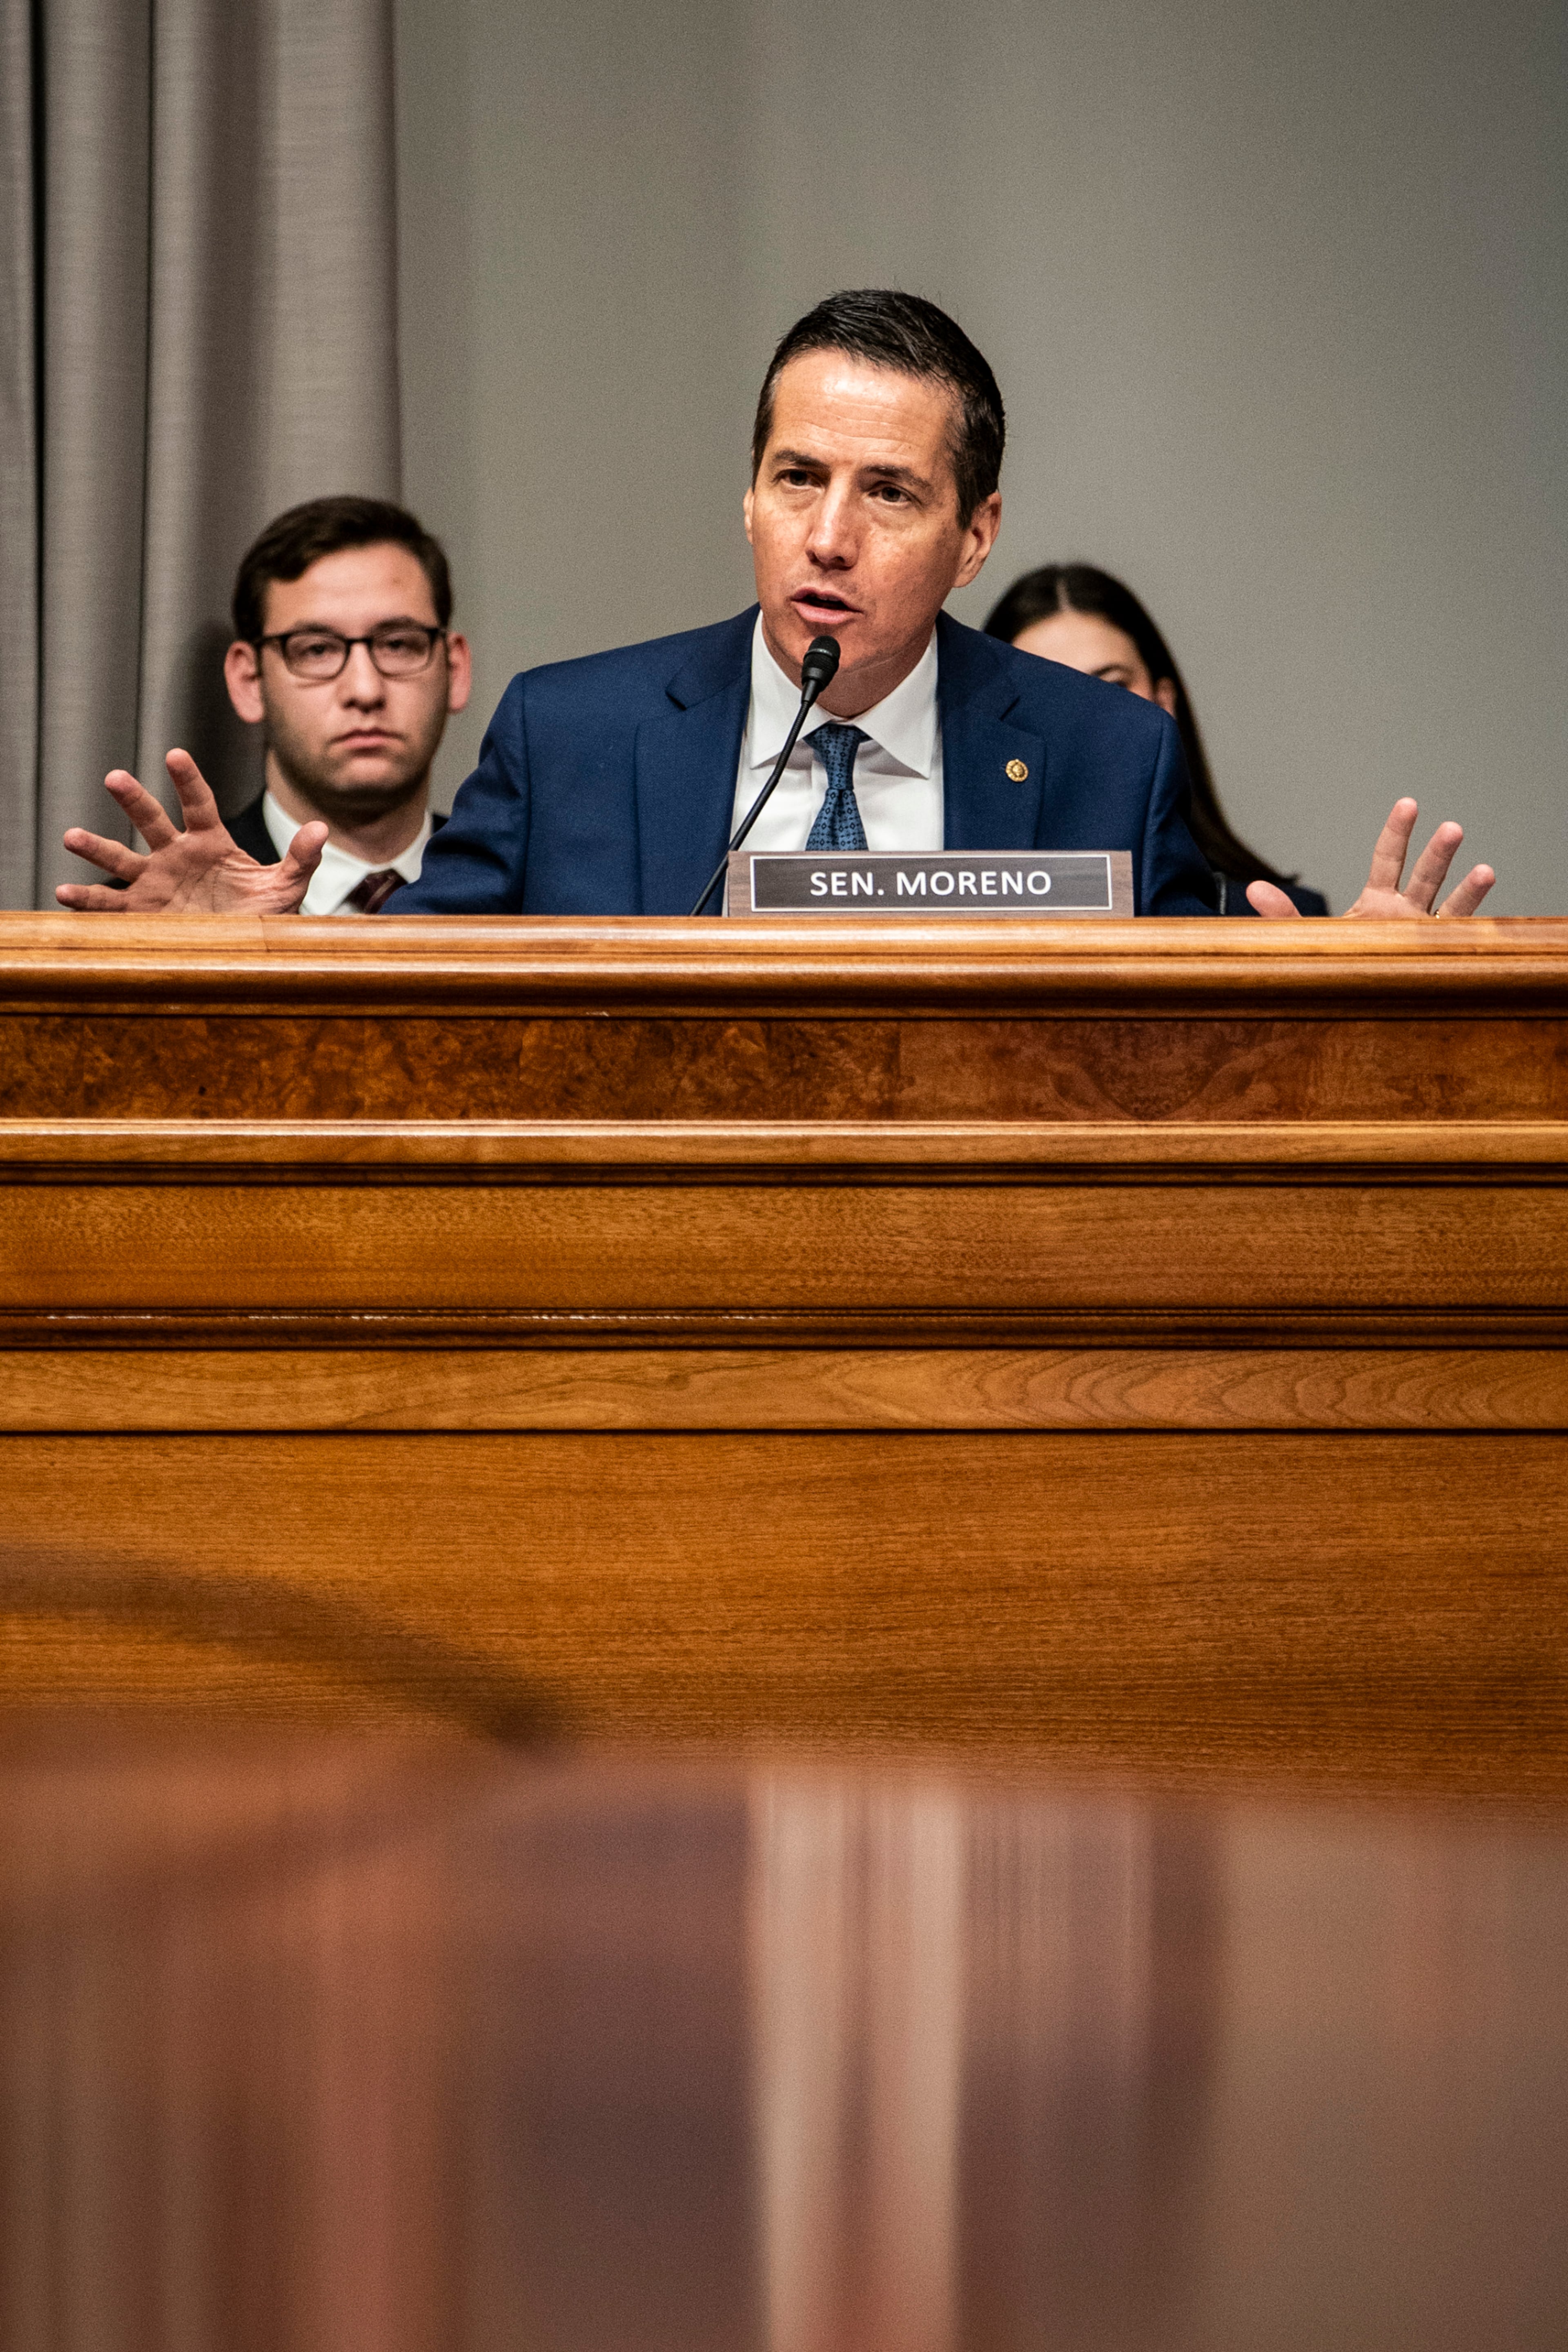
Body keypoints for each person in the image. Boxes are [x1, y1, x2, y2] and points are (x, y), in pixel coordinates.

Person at [57, 291, 1493, 923]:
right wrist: (264, 949)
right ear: (745, 496)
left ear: (975, 531)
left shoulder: (1102, 756)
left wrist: (1342, 983)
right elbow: (427, 996)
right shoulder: (574, 732)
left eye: (889, 494)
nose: (827, 533)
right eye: (795, 477)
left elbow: (1194, 1037)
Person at [985, 564, 1328, 916]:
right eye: (1047, 696)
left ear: (1164, 704)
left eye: (1112, 689)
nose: (1082, 721)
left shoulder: (1281, 919)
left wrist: (1370, 961)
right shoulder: (945, 909)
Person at [219, 497, 471, 914]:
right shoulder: (156, 920)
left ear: (455, 670)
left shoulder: (539, 900)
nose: (365, 690)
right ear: (249, 682)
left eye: (398, 645)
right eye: (317, 650)